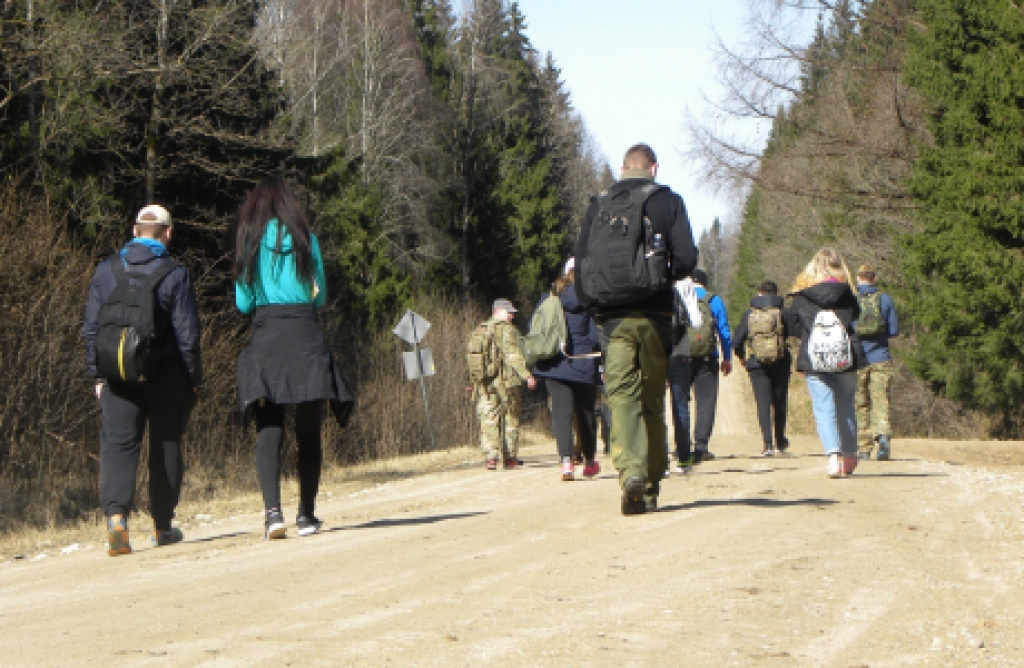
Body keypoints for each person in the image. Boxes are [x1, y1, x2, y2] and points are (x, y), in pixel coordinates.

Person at [575, 143, 698, 514]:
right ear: (653, 168)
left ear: (623, 167)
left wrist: (592, 302)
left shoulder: (599, 205)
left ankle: (630, 471)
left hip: (612, 318)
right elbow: (688, 257)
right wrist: (660, 278)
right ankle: (652, 483)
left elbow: (581, 262)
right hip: (655, 316)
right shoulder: (668, 202)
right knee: (650, 399)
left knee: (622, 397)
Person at [234, 176, 354, 540]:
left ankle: (273, 514)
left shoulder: (250, 244)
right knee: (309, 430)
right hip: (305, 335)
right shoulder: (307, 241)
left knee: (269, 428)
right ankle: (307, 514)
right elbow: (319, 297)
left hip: (268, 335)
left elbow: (243, 303)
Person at [83, 204, 201, 556]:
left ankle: (117, 520)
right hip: (165, 374)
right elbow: (188, 335)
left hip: (117, 375)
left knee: (119, 445)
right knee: (165, 445)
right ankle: (163, 527)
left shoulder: (106, 270)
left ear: (135, 231)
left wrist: (97, 374)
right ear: (168, 233)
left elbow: (91, 328)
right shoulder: (175, 274)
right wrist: (193, 378)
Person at [785, 248, 867, 478]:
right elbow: (855, 318)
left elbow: (792, 327)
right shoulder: (848, 295)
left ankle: (833, 457)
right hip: (845, 358)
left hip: (815, 358)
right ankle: (850, 456)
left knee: (823, 408)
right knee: (846, 407)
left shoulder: (802, 296)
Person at [532, 266, 602, 481]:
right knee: (586, 414)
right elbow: (595, 339)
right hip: (583, 364)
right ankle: (589, 462)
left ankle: (566, 463)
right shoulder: (589, 302)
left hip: (555, 365)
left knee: (562, 415)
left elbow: (534, 328)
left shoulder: (548, 299)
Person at [667, 268, 733, 472]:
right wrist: (727, 357)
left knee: (681, 401)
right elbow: (723, 330)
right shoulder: (714, 300)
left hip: (681, 354)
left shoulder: (676, 296)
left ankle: (681, 447)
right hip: (707, 356)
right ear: (704, 282)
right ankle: (701, 447)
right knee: (706, 402)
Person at [471, 299, 537, 470]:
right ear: (499, 311)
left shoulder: (481, 329)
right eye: (509, 313)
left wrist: (472, 381)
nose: (512, 316)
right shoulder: (506, 329)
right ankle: (509, 457)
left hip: (485, 383)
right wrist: (526, 375)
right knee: (510, 419)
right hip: (507, 383)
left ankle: (490, 458)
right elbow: (511, 353)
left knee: (488, 419)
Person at [733, 280, 792, 457]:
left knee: (763, 402)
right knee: (779, 400)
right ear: (777, 294)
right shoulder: (784, 312)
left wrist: (742, 357)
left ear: (759, 293)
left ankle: (767, 445)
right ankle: (780, 441)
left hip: (756, 363)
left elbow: (737, 341)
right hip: (780, 360)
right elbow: (796, 331)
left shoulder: (749, 313)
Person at [853, 265, 899, 460]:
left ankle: (864, 447)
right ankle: (882, 438)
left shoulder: (852, 301)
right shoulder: (885, 299)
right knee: (881, 400)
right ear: (875, 278)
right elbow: (894, 330)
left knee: (860, 403)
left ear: (857, 278)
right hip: (881, 356)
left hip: (858, 358)